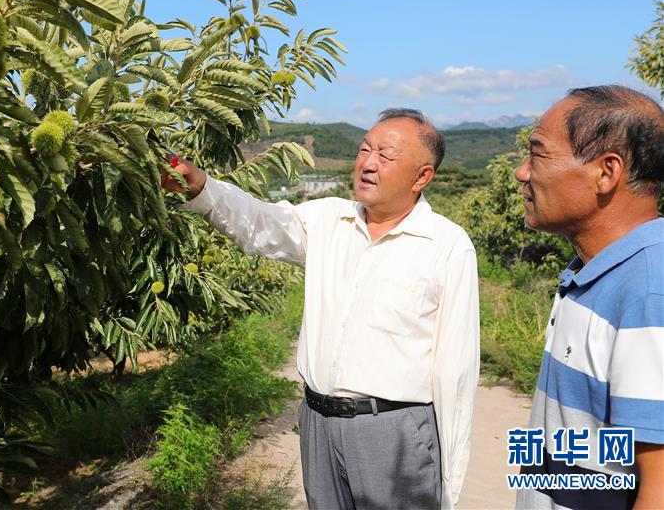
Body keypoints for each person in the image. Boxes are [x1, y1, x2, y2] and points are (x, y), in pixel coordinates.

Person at [163, 109, 479, 509]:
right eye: (365, 149)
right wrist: (201, 187)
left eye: (385, 156)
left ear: (422, 177)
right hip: (318, 423)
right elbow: (259, 223)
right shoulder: (328, 219)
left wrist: (449, 486)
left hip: (394, 432)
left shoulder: (446, 245)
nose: (367, 163)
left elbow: (457, 371)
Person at [513, 85, 664, 510]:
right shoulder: (596, 270)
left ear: (605, 172)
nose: (522, 173)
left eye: (538, 154)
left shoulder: (649, 291)